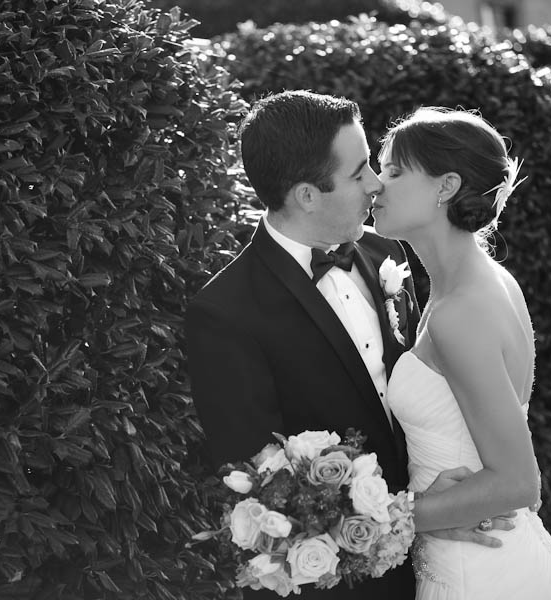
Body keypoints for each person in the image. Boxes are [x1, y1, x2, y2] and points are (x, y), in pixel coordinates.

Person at [186, 91, 507, 600]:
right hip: (342, 584)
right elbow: (262, 492)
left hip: (441, 560)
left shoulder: (385, 250)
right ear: (307, 195)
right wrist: (415, 517)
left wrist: (452, 505)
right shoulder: (226, 314)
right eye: (359, 173)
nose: (376, 184)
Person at [373, 106, 551, 599]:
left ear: (446, 187)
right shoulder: (480, 283)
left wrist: (394, 518)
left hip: (478, 573)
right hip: (483, 556)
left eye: (394, 172)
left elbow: (517, 482)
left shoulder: (461, 311)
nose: (376, 185)